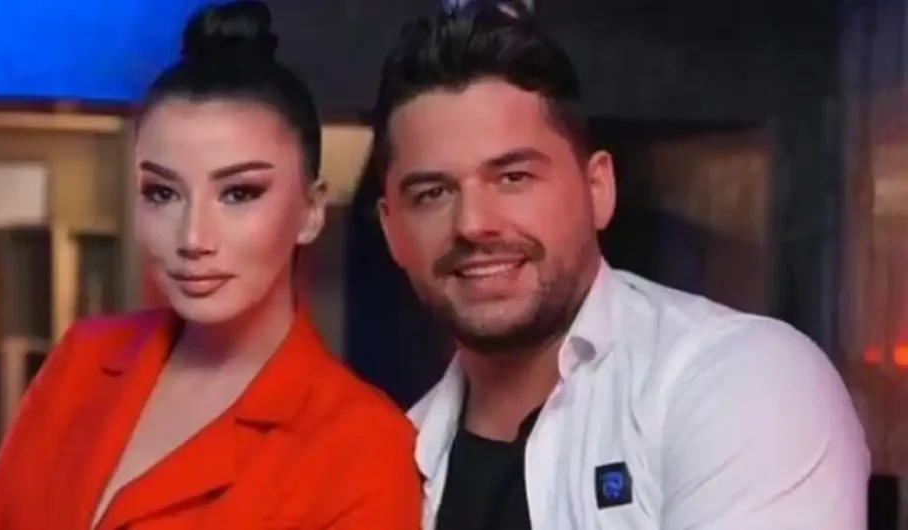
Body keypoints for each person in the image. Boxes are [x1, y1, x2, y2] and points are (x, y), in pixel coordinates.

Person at [370, 1, 870, 529]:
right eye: (433, 193)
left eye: (514, 178)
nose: (473, 223)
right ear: (391, 230)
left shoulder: (737, 380)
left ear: (598, 189)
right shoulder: (394, 457)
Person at [0, 2, 421, 529]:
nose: (193, 238)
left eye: (239, 193)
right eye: (162, 193)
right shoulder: (83, 360)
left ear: (311, 210)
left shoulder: (363, 446)